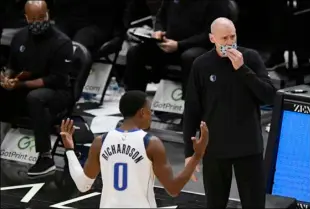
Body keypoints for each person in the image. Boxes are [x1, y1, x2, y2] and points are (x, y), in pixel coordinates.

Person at [183, 17, 277, 208]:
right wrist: (189, 153)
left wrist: (243, 70)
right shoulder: (201, 65)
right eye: (224, 38)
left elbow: (270, 96)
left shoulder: (250, 57)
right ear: (212, 39)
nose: (229, 42)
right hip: (215, 148)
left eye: (232, 37)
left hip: (248, 146)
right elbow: (192, 109)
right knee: (215, 204)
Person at [60, 90, 208, 208]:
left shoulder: (100, 141)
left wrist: (69, 150)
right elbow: (174, 189)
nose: (151, 116)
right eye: (150, 111)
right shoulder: (151, 143)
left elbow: (83, 185)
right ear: (142, 112)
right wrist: (197, 155)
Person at [0, 0, 73, 177]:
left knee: (35, 97)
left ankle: (45, 157)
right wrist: (7, 78)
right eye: (33, 18)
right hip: (25, 86)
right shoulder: (19, 37)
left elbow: (56, 78)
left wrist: (20, 85)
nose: (38, 21)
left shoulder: (62, 42)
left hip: (57, 91)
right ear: (26, 18)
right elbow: (12, 65)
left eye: (42, 17)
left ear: (48, 14)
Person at [124, 0, 231, 98]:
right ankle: (134, 104)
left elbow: (212, 35)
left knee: (190, 57)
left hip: (202, 47)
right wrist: (158, 31)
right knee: (135, 53)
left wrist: (179, 45)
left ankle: (191, 111)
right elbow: (160, 18)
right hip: (169, 44)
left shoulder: (217, 3)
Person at [54, 0, 133, 57]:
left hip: (98, 24)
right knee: (50, 43)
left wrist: (120, 33)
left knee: (78, 50)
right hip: (68, 19)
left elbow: (122, 8)